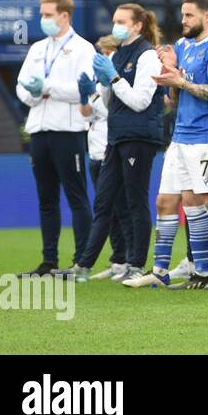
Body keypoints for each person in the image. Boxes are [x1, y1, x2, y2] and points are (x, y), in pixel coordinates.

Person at [127, 0, 208, 290]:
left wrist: (180, 79)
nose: (183, 20)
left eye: (189, 15)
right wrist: (171, 76)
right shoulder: (185, 45)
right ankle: (186, 271)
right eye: (182, 14)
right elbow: (176, 96)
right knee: (173, 201)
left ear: (207, 15)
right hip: (181, 136)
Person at [72, 6, 166, 283]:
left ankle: (136, 264)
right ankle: (83, 265)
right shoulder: (121, 53)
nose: (116, 26)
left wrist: (113, 77)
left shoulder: (147, 55)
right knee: (104, 202)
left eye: (121, 22)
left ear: (137, 25)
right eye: (114, 21)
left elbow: (140, 101)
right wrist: (102, 86)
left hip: (139, 138)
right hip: (116, 136)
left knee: (135, 201)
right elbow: (112, 103)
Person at [15, 0, 97, 277]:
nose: (43, 19)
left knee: (76, 197)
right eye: (42, 14)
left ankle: (81, 262)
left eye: (48, 14)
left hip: (68, 130)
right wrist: (34, 94)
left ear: (64, 15)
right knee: (46, 198)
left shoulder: (84, 49)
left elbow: (84, 89)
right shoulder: (37, 48)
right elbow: (21, 86)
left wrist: (47, 87)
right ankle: (48, 261)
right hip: (39, 128)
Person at [79, 35, 132, 281]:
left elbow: (114, 112)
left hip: (112, 149)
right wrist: (84, 98)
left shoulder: (116, 78)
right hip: (95, 150)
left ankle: (129, 260)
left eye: (105, 51)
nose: (101, 56)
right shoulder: (99, 80)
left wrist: (96, 99)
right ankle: (118, 259)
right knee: (107, 211)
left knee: (120, 208)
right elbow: (89, 117)